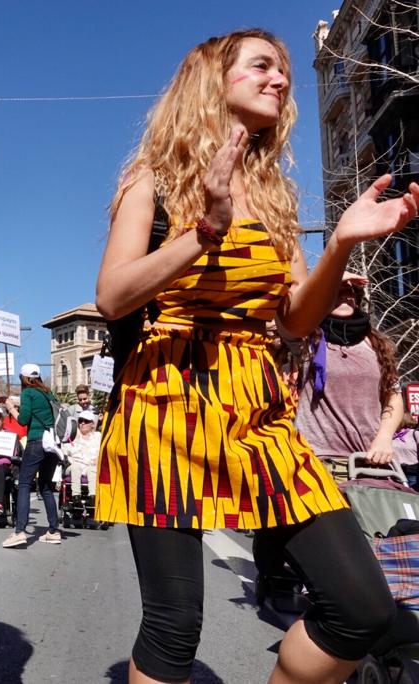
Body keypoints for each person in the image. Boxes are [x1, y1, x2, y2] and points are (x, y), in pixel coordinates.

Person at [94, 29, 419, 684]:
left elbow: (295, 318)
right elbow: (113, 296)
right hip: (165, 404)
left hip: (259, 411)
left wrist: (341, 245)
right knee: (173, 627)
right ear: (213, 81)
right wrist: (204, 231)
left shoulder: (275, 197)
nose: (281, 79)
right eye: (262, 66)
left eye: (285, 71)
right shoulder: (152, 179)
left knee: (361, 608)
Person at [296, 273, 404, 479]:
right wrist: (332, 276)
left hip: (370, 464)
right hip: (318, 463)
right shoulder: (306, 337)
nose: (346, 295)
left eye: (351, 291)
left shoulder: (375, 344)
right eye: (336, 291)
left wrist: (384, 438)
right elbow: (290, 304)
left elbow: (393, 396)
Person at [3, 364, 61, 548]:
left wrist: (11, 408)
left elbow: (23, 420)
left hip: (36, 442)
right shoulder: (48, 393)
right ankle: (53, 531)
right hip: (52, 445)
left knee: (24, 484)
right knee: (46, 487)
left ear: (24, 378)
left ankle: (19, 531)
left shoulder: (28, 393)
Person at [63, 409, 100, 501]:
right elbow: (64, 452)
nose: (82, 423)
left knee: (93, 469)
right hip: (73, 465)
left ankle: (93, 497)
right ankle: (76, 496)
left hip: (90, 466)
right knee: (76, 467)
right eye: (80, 421)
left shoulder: (98, 436)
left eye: (86, 421)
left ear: (93, 424)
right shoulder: (72, 435)